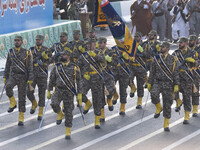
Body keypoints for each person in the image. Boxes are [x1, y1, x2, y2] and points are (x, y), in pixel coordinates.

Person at [47, 50, 83, 139]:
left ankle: (68, 130)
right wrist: (49, 90)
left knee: (68, 111)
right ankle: (60, 114)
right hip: (58, 89)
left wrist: (79, 93)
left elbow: (79, 81)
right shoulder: (57, 67)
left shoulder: (74, 67)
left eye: (64, 55)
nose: (62, 56)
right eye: (62, 54)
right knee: (54, 103)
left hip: (69, 91)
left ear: (69, 56)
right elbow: (51, 79)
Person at [147, 41, 179, 131]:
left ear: (168, 49)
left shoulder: (173, 59)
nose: (161, 48)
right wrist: (149, 82)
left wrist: (176, 84)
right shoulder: (156, 59)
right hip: (158, 81)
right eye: (161, 47)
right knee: (153, 94)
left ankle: (166, 123)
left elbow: (176, 73)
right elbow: (152, 72)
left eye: (163, 47)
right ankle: (158, 107)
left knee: (167, 104)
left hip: (168, 83)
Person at [3, 36, 33, 126]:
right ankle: (13, 102)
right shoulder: (11, 52)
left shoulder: (27, 53)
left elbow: (30, 67)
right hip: (13, 75)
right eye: (15, 40)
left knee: (22, 97)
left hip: (23, 77)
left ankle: (21, 117)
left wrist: (30, 79)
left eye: (18, 41)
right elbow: (8, 64)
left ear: (21, 42)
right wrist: (5, 75)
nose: (16, 42)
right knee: (8, 86)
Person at [77, 38, 104, 129]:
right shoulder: (83, 55)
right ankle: (88, 103)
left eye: (91, 44)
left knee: (97, 99)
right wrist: (82, 75)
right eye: (88, 44)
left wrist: (95, 56)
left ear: (94, 44)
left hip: (96, 78)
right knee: (81, 94)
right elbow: (78, 66)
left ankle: (97, 120)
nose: (89, 46)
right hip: (86, 78)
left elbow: (103, 60)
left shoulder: (99, 52)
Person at [172, 37, 198, 124]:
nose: (179, 44)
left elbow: (197, 63)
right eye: (179, 43)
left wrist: (193, 61)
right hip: (177, 76)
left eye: (181, 43)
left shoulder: (192, 53)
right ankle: (178, 101)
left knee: (187, 96)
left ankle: (187, 115)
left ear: (186, 44)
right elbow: (170, 63)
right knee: (172, 90)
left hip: (187, 77)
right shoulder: (175, 53)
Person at [27, 35, 50, 120]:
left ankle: (40, 112)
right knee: (28, 91)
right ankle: (34, 103)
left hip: (42, 75)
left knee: (42, 94)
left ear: (42, 40)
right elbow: (27, 60)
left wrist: (45, 60)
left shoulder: (46, 49)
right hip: (33, 76)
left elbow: (51, 59)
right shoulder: (31, 49)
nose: (38, 41)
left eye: (39, 40)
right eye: (36, 40)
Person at [129, 32, 147, 109]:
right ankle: (133, 88)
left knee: (140, 85)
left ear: (140, 37)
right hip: (132, 66)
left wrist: (142, 51)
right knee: (128, 78)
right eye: (135, 37)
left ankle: (139, 102)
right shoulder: (131, 44)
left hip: (140, 67)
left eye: (138, 37)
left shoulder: (145, 45)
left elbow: (148, 55)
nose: (136, 38)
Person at [188, 35, 200, 117]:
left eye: (191, 41)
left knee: (195, 90)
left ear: (195, 41)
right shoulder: (187, 50)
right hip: (187, 72)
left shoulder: (198, 50)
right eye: (189, 41)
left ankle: (195, 109)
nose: (190, 42)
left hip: (196, 72)